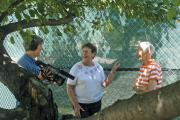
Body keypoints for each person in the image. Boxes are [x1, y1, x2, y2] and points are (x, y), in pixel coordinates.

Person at [67, 42, 120, 118]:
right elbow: (69, 88)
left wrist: (112, 71)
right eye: (83, 51)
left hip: (96, 104)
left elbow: (104, 84)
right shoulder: (75, 68)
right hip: (81, 105)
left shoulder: (98, 67)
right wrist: (75, 105)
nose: (84, 53)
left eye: (86, 51)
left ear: (93, 54)